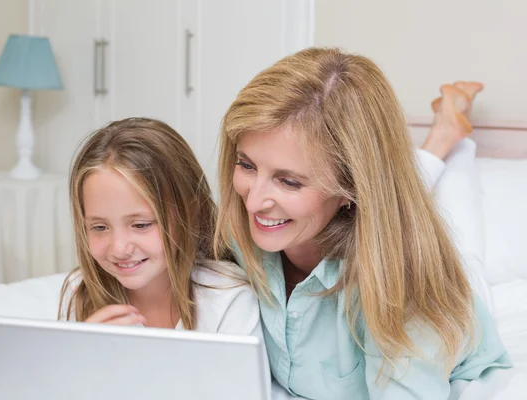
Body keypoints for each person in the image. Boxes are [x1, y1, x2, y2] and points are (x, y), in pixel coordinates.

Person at [214, 47, 512, 399]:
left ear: (351, 186)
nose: (252, 200)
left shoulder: (404, 285)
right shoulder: (241, 230)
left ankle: (448, 133)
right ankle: (442, 134)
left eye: (289, 181)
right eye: (246, 165)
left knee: (463, 244)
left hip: (438, 297)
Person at [57, 118, 265, 345]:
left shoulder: (227, 298)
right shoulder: (80, 293)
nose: (119, 248)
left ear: (190, 214)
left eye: (141, 225)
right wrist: (82, 352)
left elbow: (237, 380)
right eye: (99, 227)